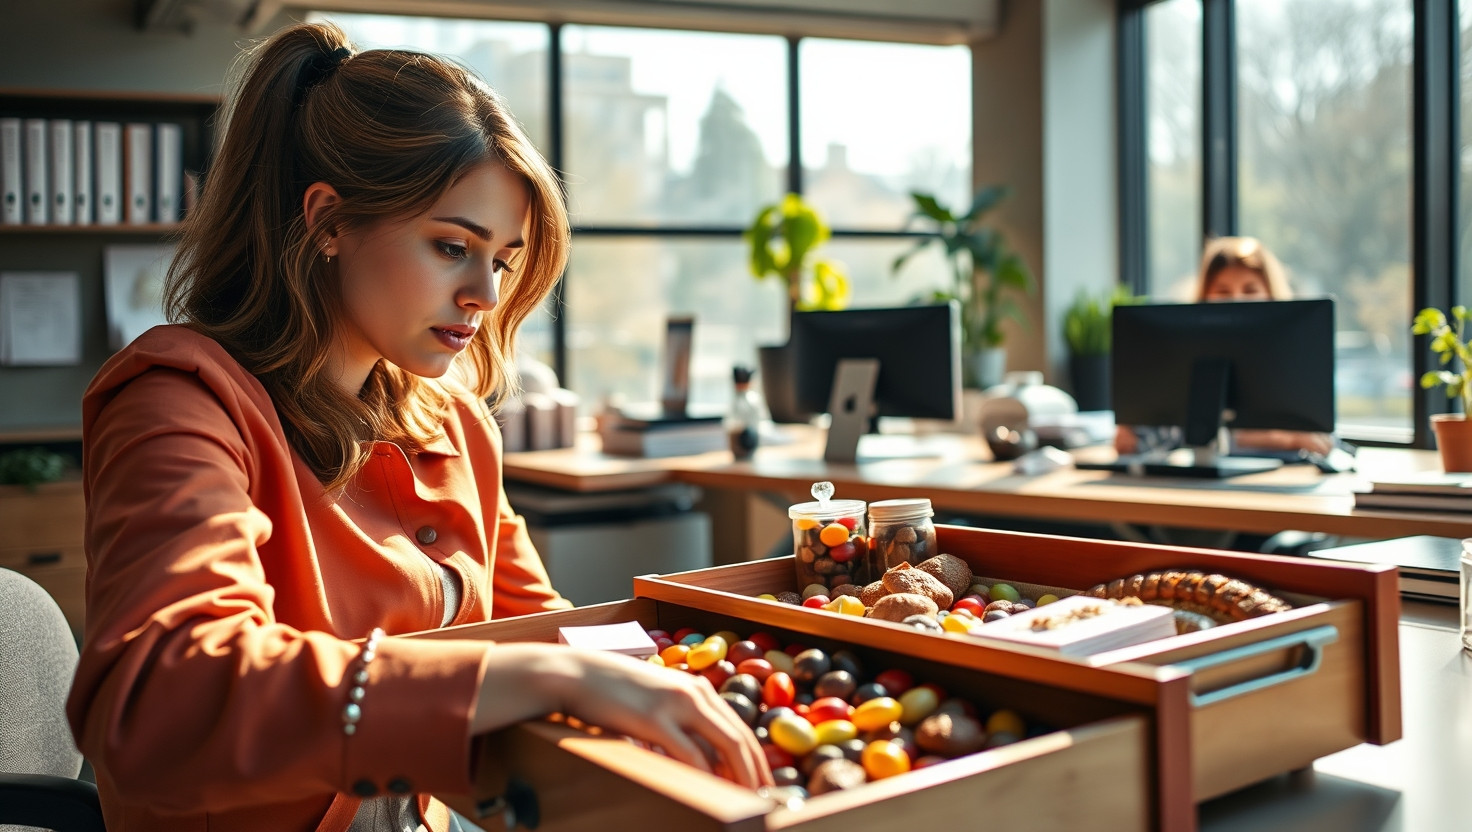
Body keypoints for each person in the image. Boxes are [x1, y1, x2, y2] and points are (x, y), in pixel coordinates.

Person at [66, 22, 769, 832]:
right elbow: (162, 697)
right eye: (451, 246)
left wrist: (709, 675)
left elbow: (542, 626)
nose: (486, 294)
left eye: (502, 259)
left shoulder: (457, 425)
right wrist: (526, 682)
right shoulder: (181, 399)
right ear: (328, 221)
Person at [1113, 236, 1333, 458]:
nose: (1237, 300)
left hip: (1274, 481)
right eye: (1223, 292)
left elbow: (1322, 437)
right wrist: (1283, 439)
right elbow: (1164, 437)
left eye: (1250, 291)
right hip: (1199, 480)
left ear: (1270, 293)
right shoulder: (1182, 354)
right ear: (1204, 295)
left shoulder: (1294, 357)